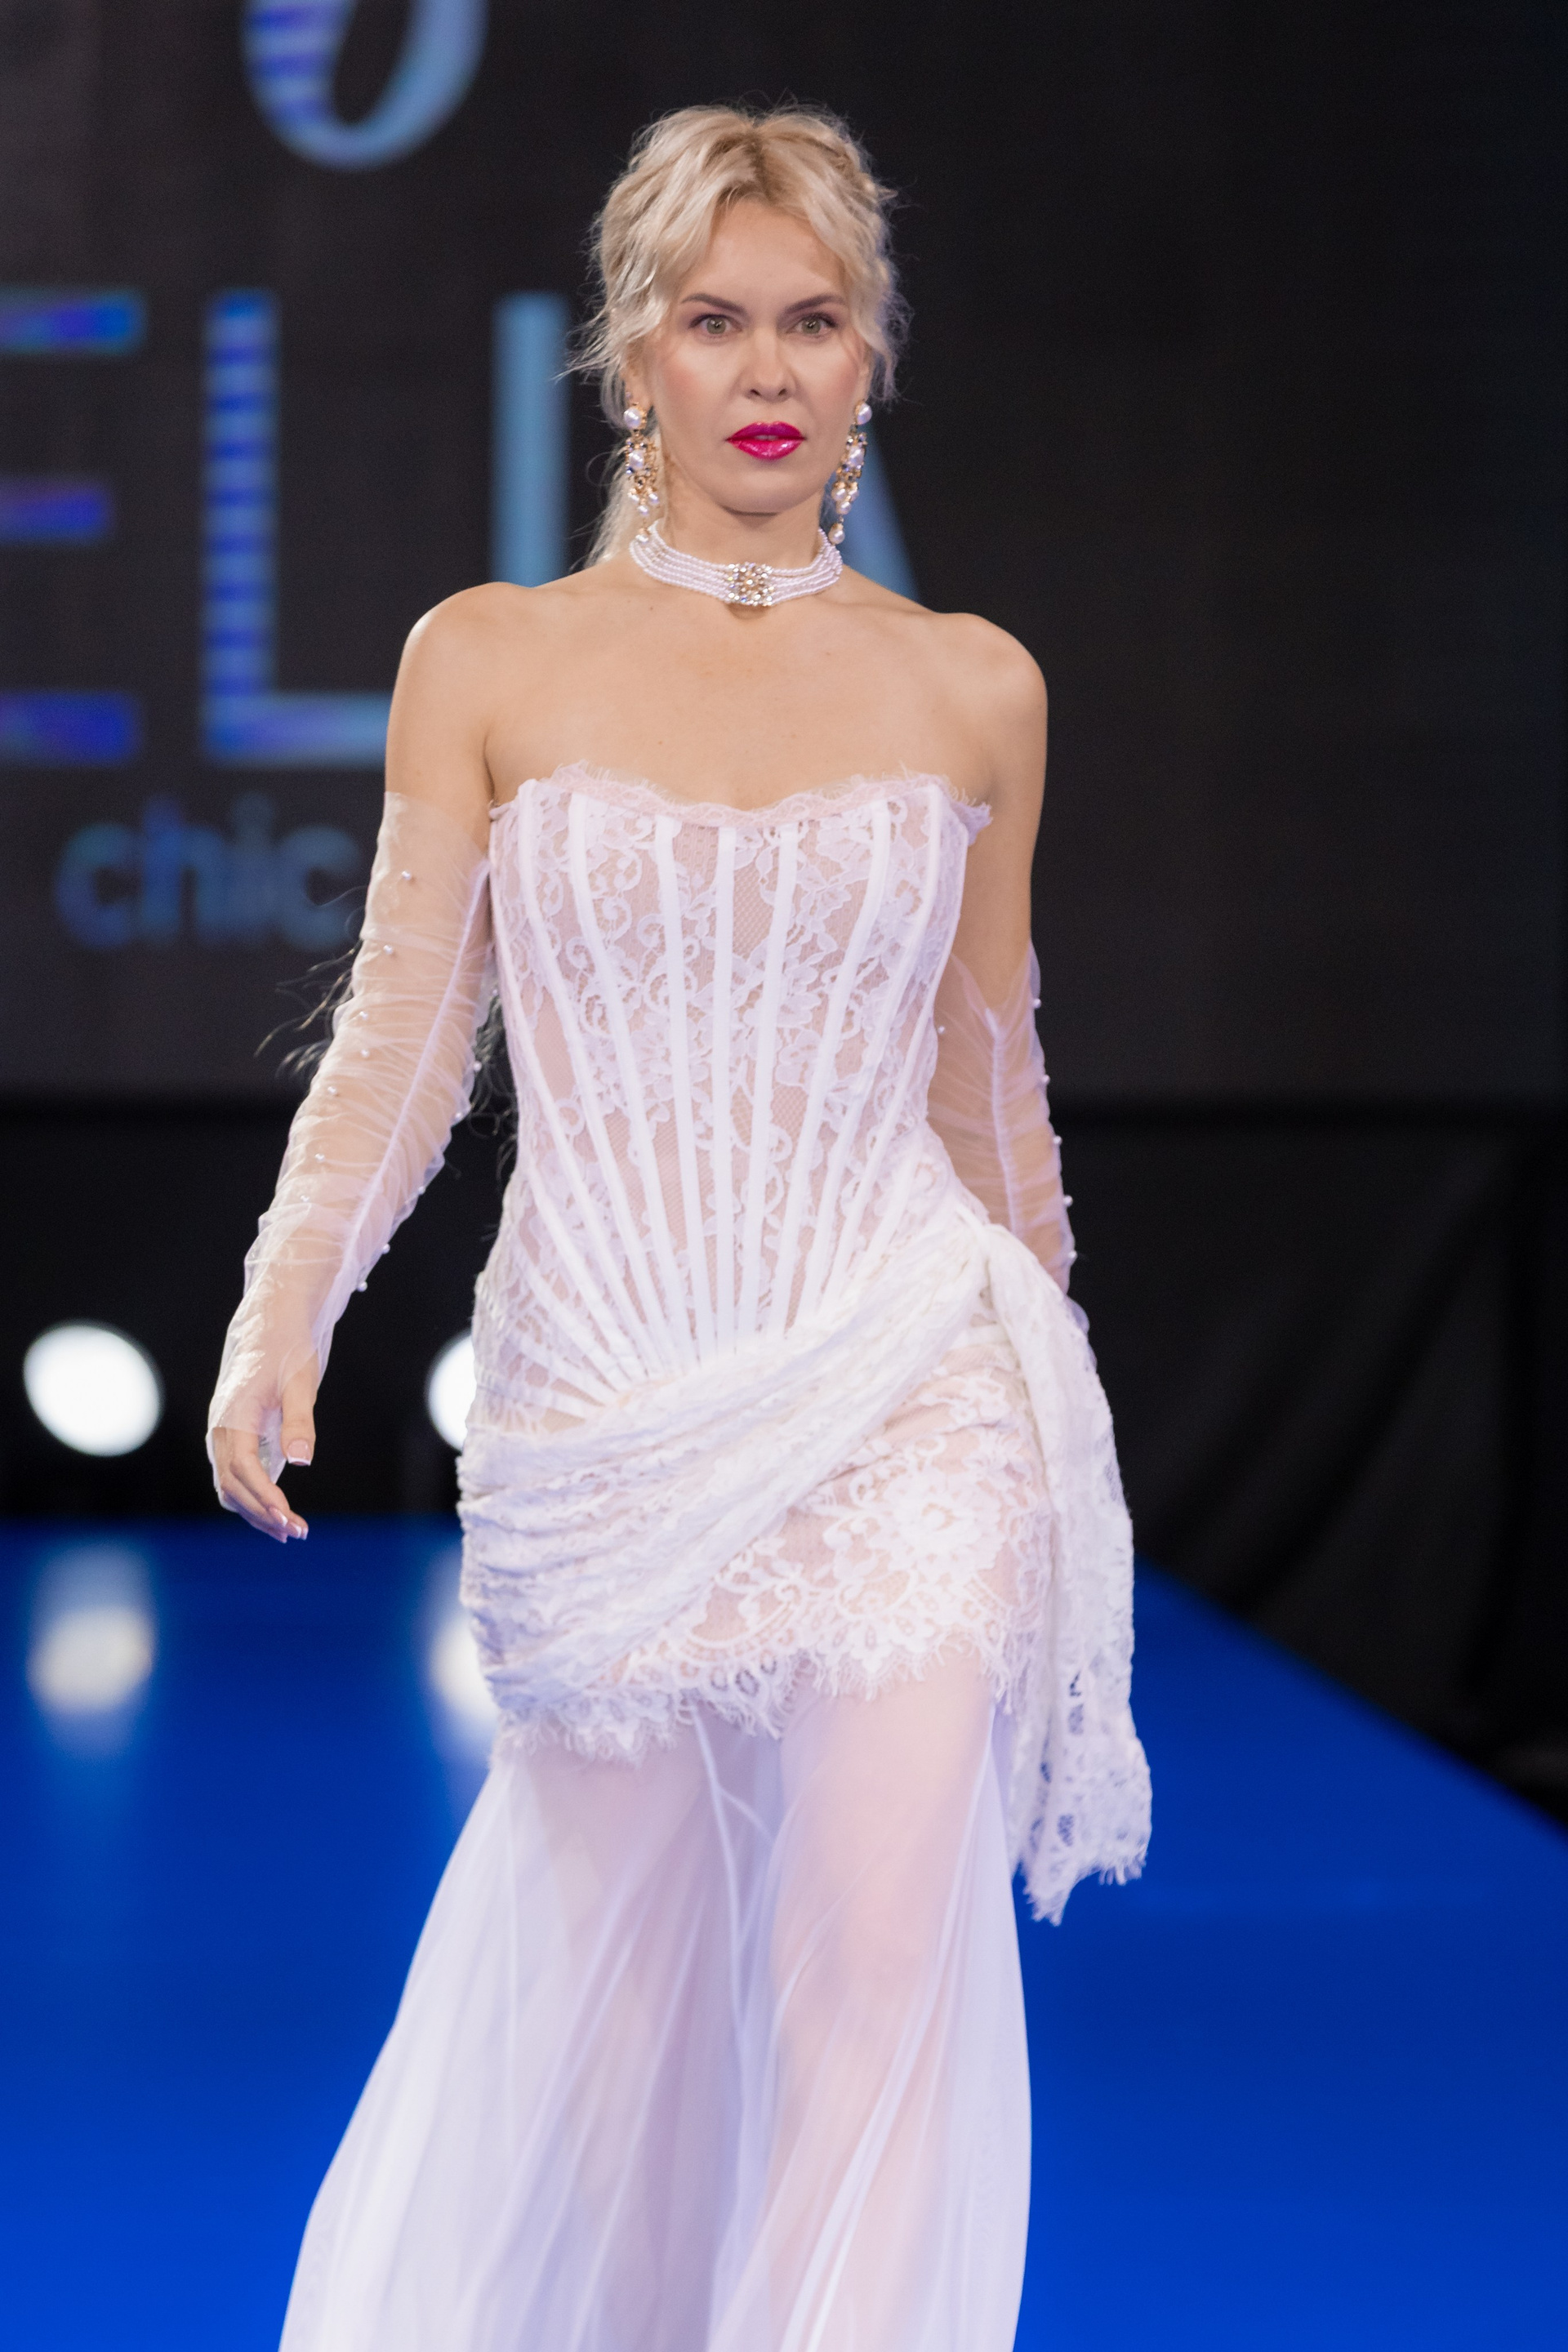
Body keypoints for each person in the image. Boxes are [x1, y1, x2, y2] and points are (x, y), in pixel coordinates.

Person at [208, 101, 1150, 2352]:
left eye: (814, 319)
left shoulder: (974, 686)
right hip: (603, 1404)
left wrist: (1066, 1428)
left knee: (873, 1996)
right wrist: (282, 1303)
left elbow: (987, 1084)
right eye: (716, 319)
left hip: (906, 1388)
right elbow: (406, 1040)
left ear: (871, 352)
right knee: (620, 2037)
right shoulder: (488, 659)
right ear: (632, 350)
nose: (767, 366)